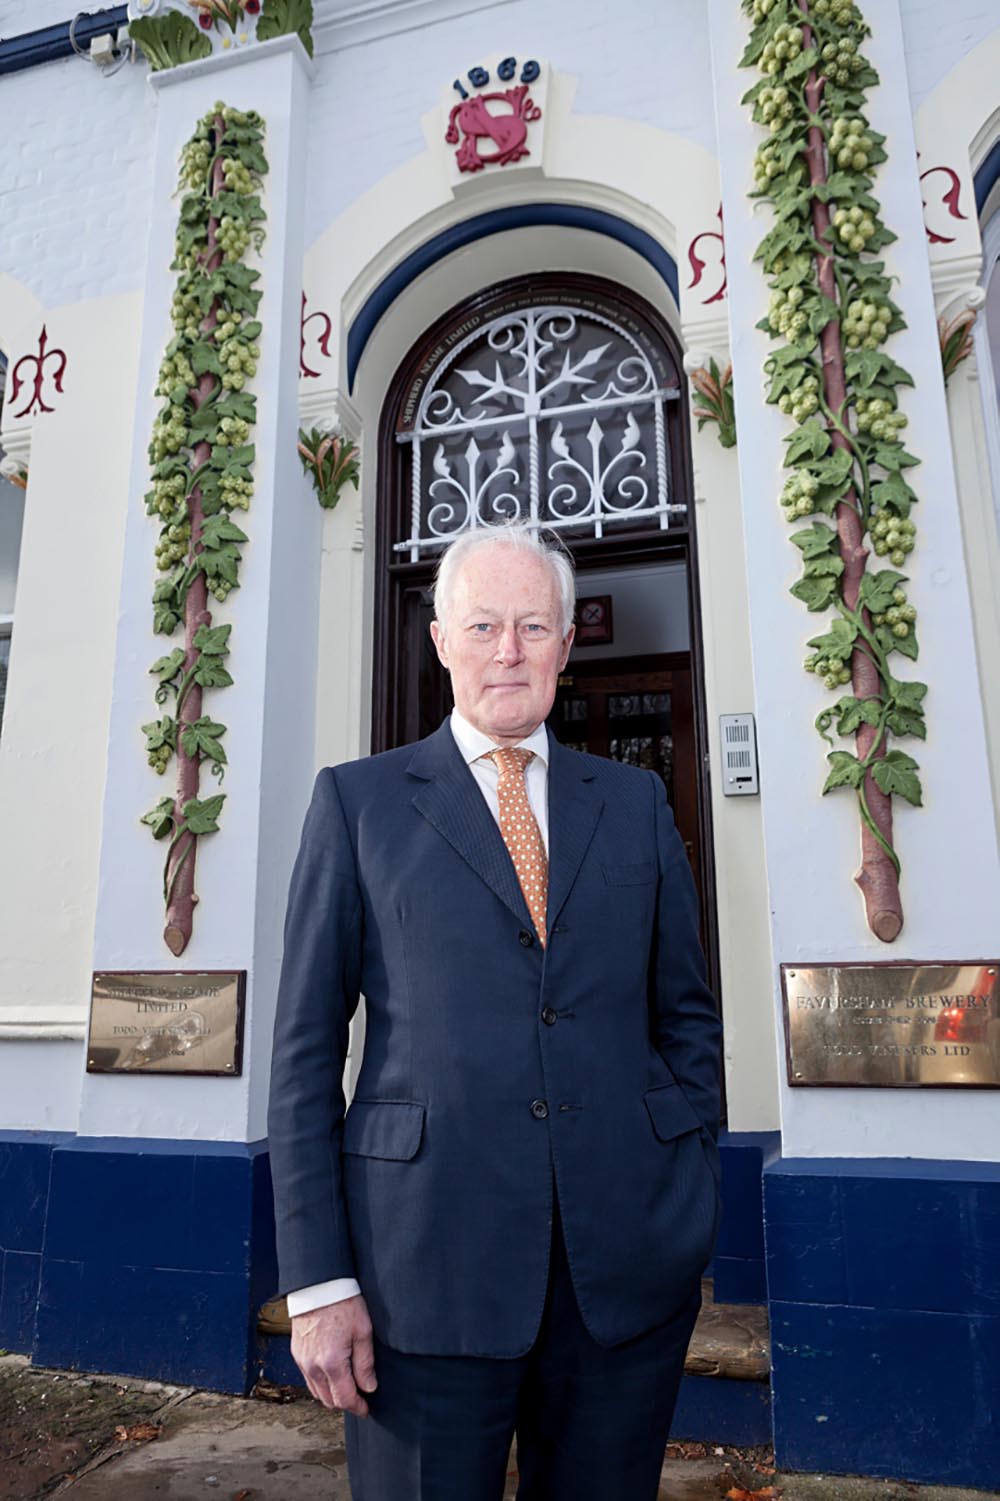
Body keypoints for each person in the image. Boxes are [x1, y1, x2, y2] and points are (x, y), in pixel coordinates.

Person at [267, 522, 723, 1501]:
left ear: (566, 642)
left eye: (530, 625)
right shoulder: (357, 805)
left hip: (619, 1281)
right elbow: (304, 1053)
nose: (506, 650)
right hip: (417, 1277)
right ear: (439, 640)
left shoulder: (635, 803)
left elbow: (685, 1013)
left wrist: (685, 1188)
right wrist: (319, 1281)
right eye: (481, 625)